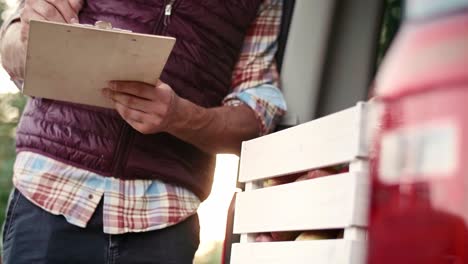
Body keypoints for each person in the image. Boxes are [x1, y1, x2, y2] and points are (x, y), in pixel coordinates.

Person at [0, 0, 286, 263]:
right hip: (46, 191)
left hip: (165, 221)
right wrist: (26, 30)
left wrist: (180, 117)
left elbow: (256, 114)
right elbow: (13, 40)